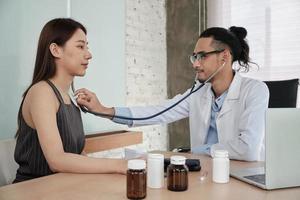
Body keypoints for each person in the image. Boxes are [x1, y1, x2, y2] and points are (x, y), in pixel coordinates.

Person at [76, 26, 269, 161]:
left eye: (202, 56)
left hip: (241, 176)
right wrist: (104, 110)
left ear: (224, 57)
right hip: (204, 172)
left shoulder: (254, 91)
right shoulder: (198, 94)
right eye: (194, 57)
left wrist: (196, 151)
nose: (195, 64)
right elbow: (157, 112)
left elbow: (248, 149)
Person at [13, 18, 127, 183]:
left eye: (87, 47)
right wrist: (119, 165)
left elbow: (78, 155)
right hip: (33, 191)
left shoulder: (69, 99)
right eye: (80, 46)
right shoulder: (42, 92)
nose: (89, 54)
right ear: (55, 50)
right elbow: (56, 160)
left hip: (62, 187)